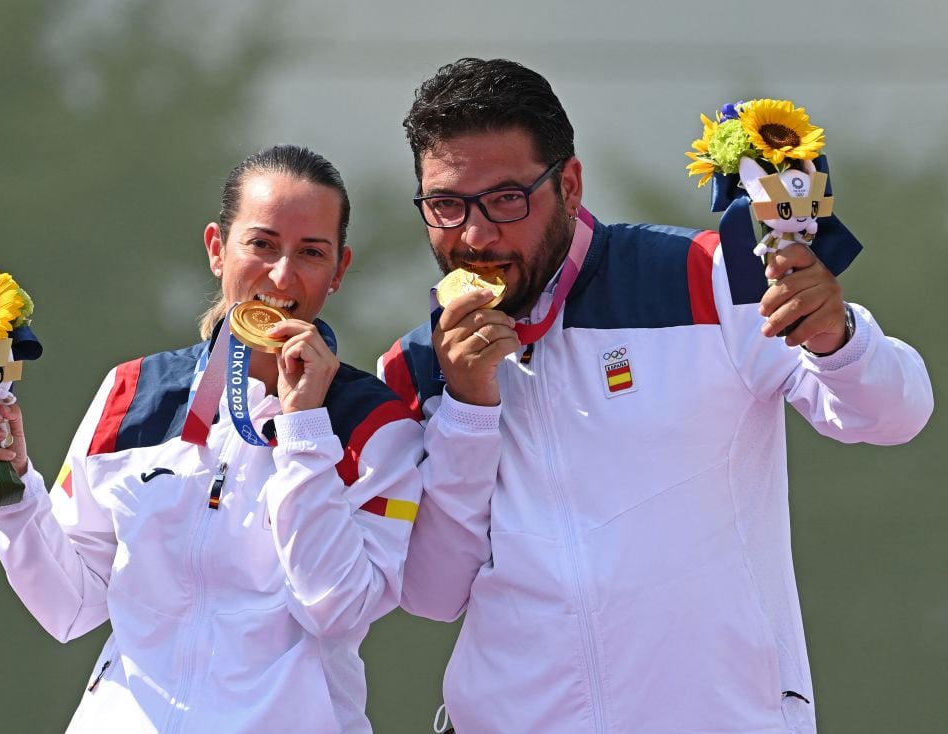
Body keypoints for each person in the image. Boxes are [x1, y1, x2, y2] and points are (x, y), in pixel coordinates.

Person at [378, 58, 933, 733]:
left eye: (505, 200)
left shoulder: (704, 277)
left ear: (571, 185)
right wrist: (468, 407)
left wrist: (838, 338)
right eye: (445, 205)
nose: (474, 235)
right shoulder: (416, 366)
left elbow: (895, 414)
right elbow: (433, 594)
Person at [0, 144, 424, 733]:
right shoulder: (132, 393)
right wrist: (16, 493)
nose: (282, 275)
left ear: (339, 269)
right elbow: (69, 607)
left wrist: (305, 430)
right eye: (261, 244)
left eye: (311, 252)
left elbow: (338, 607)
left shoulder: (377, 426)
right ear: (216, 249)